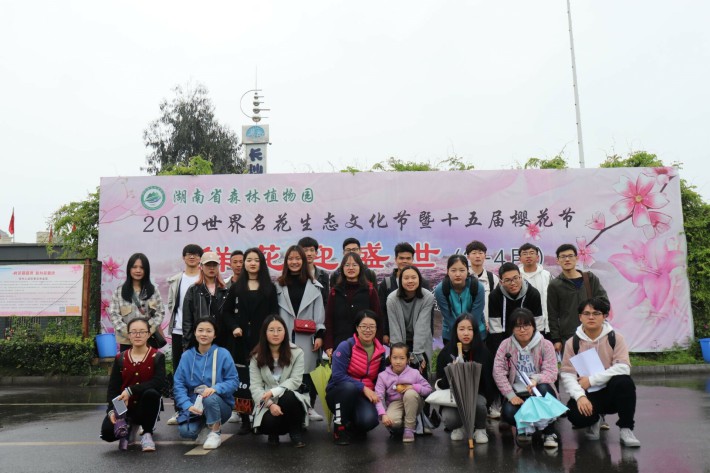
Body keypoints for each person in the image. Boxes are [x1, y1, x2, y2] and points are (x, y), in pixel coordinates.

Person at [561, 298, 641, 447]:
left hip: (611, 393)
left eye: (596, 313)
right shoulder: (572, 343)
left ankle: (626, 429)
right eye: (586, 313)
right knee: (574, 415)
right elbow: (567, 374)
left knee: (624, 382)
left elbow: (623, 367)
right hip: (588, 393)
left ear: (604, 316)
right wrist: (580, 397)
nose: (591, 317)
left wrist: (592, 380)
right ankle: (595, 420)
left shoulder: (615, 338)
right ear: (580, 317)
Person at [221, 247, 279, 433]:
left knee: (263, 378)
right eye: (249, 260)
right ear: (244, 264)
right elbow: (226, 312)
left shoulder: (269, 288)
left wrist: (270, 334)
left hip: (262, 340)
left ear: (261, 264)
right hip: (240, 340)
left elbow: (274, 314)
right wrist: (234, 327)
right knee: (243, 379)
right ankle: (245, 419)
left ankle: (261, 417)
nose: (252, 263)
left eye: (256, 260)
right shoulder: (237, 287)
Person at [492, 308, 559, 448]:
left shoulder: (546, 344)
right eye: (517, 326)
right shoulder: (505, 345)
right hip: (518, 393)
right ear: (512, 328)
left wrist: (536, 379)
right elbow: (498, 372)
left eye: (526, 325)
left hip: (538, 388)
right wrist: (510, 395)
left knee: (544, 389)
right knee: (509, 412)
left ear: (533, 326)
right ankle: (524, 429)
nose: (522, 330)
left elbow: (552, 372)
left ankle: (549, 432)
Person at [275, 245, 326, 422]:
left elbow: (319, 314)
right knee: (286, 372)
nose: (294, 262)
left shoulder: (314, 286)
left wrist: (319, 335)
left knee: (307, 373)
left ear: (303, 261)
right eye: (291, 259)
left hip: (307, 337)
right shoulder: (278, 286)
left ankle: (309, 406)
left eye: (298, 258)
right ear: (286, 262)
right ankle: (286, 407)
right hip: (285, 336)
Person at [100, 318, 166, 452]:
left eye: (142, 332)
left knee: (152, 394)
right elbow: (113, 389)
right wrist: (112, 411)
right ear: (128, 335)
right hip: (124, 407)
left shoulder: (157, 356)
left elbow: (159, 382)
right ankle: (130, 424)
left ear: (148, 334)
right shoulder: (121, 358)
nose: (138, 335)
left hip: (145, 405)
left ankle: (147, 433)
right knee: (107, 433)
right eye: (134, 332)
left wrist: (131, 390)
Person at [173, 318, 239, 450]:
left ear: (214, 335)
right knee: (186, 432)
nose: (204, 334)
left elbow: (233, 381)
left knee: (209, 397)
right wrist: (187, 405)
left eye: (209, 331)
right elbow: (178, 384)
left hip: (219, 404)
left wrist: (216, 388)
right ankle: (206, 427)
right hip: (195, 406)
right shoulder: (186, 356)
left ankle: (215, 432)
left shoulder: (223, 354)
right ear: (195, 333)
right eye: (200, 330)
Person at [326, 309, 387, 445]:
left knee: (369, 421)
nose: (368, 330)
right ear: (357, 328)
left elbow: (381, 377)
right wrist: (363, 387)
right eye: (364, 326)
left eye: (372, 327)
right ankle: (339, 427)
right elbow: (338, 376)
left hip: (363, 395)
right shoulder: (346, 346)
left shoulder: (380, 351)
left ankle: (352, 424)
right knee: (349, 388)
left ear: (376, 329)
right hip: (339, 393)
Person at [249, 316, 310, 447]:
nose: (275, 334)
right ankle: (273, 433)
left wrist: (273, 392)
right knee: (269, 422)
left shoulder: (297, 352)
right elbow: (255, 387)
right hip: (266, 401)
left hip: (291, 399)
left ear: (285, 332)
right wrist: (270, 404)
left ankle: (295, 431)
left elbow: (295, 381)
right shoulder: (256, 356)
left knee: (288, 396)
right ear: (265, 333)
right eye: (271, 330)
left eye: (279, 330)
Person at [435, 313, 493, 444]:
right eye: (461, 329)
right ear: (455, 331)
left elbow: (489, 385)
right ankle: (459, 426)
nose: (466, 333)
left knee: (479, 404)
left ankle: (480, 428)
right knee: (449, 418)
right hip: (453, 397)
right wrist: (451, 372)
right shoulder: (446, 353)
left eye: (470, 329)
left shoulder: (483, 352)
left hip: (477, 396)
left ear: (475, 332)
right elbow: (439, 385)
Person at [548, 243, 609, 355]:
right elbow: (552, 314)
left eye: (570, 256)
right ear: (558, 261)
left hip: (593, 333)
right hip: (569, 336)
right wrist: (556, 339)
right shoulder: (555, 285)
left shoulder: (589, 279)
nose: (567, 259)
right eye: (563, 257)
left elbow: (604, 303)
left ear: (576, 258)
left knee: (596, 365)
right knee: (572, 366)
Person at [166, 243, 203, 425]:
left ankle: (198, 409)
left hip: (200, 333)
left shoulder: (204, 278)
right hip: (178, 331)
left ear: (200, 258)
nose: (192, 257)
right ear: (183, 257)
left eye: (195, 254)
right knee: (179, 371)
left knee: (199, 372)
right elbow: (172, 305)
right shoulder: (176, 280)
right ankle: (179, 410)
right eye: (188, 254)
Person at [324, 252, 382, 353]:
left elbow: (378, 318)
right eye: (347, 265)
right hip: (340, 345)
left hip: (365, 346)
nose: (351, 268)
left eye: (354, 265)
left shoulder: (370, 290)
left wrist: (377, 344)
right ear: (342, 268)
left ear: (360, 268)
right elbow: (329, 320)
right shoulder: (335, 291)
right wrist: (328, 344)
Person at [375, 343, 432, 443]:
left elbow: (428, 389)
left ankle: (409, 428)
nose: (398, 361)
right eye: (394, 358)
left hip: (413, 402)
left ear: (408, 359)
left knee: (410, 394)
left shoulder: (414, 373)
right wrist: (383, 414)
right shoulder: (383, 376)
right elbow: (378, 396)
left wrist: (413, 387)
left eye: (402, 358)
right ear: (390, 358)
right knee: (393, 422)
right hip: (395, 403)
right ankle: (407, 424)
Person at [108, 253, 164, 352]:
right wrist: (130, 333)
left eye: (142, 267)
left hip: (149, 341)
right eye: (134, 267)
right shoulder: (119, 291)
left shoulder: (153, 290)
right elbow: (114, 315)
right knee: (127, 363)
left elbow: (160, 313)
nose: (138, 270)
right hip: (126, 341)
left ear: (146, 270)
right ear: (129, 269)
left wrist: (148, 332)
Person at [378, 242, 432, 344]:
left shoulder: (423, 283)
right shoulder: (387, 283)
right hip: (395, 334)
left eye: (408, 258)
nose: (405, 261)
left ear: (412, 259)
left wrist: (429, 335)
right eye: (401, 258)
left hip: (418, 336)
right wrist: (384, 333)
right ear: (396, 259)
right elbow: (382, 311)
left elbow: (428, 314)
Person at [386, 265, 435, 375]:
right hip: (400, 341)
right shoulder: (392, 299)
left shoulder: (427, 297)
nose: (410, 281)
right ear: (400, 280)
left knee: (420, 376)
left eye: (413, 277)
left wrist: (416, 356)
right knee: (399, 376)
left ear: (419, 279)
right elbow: (394, 329)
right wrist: (400, 355)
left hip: (420, 343)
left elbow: (422, 326)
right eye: (406, 278)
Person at [487, 262, 544, 356]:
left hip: (528, 341)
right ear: (501, 282)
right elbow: (495, 329)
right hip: (504, 342)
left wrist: (533, 349)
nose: (513, 283)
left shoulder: (533, 294)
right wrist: (501, 353)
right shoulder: (494, 296)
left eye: (515, 278)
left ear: (520, 277)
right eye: (507, 280)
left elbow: (538, 325)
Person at [433, 255, 485, 345]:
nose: (458, 274)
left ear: (467, 271)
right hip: (451, 334)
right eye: (453, 270)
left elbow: (476, 314)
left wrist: (467, 332)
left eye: (462, 270)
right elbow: (448, 316)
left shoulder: (477, 287)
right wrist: (460, 333)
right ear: (448, 271)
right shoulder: (440, 290)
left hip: (477, 332)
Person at [181, 252, 229, 350]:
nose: (211, 268)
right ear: (201, 266)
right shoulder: (193, 290)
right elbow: (187, 320)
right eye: (208, 265)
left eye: (214, 265)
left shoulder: (225, 290)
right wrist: (188, 344)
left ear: (218, 267)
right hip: (200, 339)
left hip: (221, 339)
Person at [518, 243, 552, 337]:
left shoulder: (547, 275)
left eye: (531, 253)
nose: (528, 256)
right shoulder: (516, 276)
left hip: (544, 324)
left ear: (537, 257)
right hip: (521, 325)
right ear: (520, 259)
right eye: (525, 254)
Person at [465, 240, 499, 331]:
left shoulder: (492, 278)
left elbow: (496, 304)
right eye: (474, 253)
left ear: (485, 255)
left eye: (480, 253)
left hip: (487, 327)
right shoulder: (463, 277)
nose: (477, 256)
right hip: (466, 327)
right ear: (468, 256)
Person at [298, 236, 330, 306]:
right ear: (299, 253)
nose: (309, 253)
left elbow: (326, 300)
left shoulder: (323, 275)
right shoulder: (294, 274)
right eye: (305, 250)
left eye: (312, 250)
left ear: (316, 253)